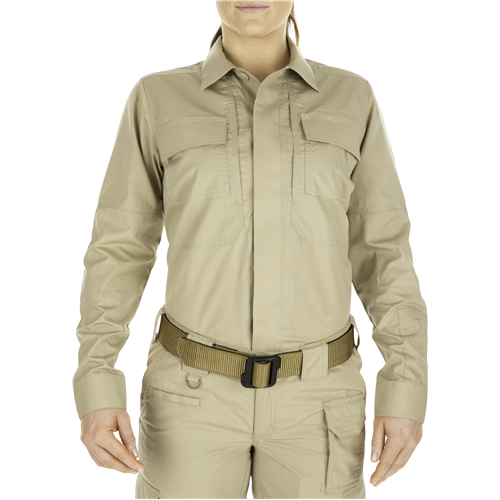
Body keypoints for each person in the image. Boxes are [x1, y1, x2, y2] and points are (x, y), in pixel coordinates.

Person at [73, 1, 428, 498]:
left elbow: (384, 253)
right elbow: (119, 248)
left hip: (319, 404)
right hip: (189, 403)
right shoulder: (157, 98)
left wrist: (405, 385)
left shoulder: (352, 98)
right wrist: (97, 378)